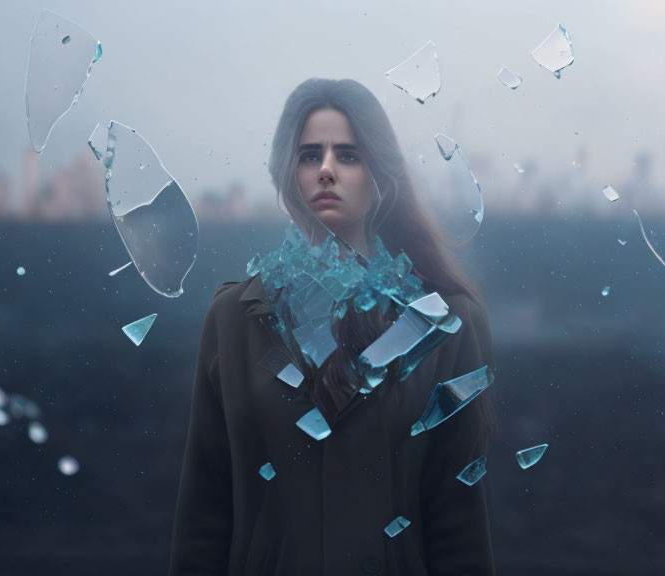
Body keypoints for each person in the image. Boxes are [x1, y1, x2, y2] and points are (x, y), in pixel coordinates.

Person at [169, 78, 496, 575]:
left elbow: (458, 520)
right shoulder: (234, 321)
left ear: (380, 173)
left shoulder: (443, 325)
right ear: (287, 175)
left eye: (347, 155)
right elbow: (205, 514)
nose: (325, 170)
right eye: (308, 156)